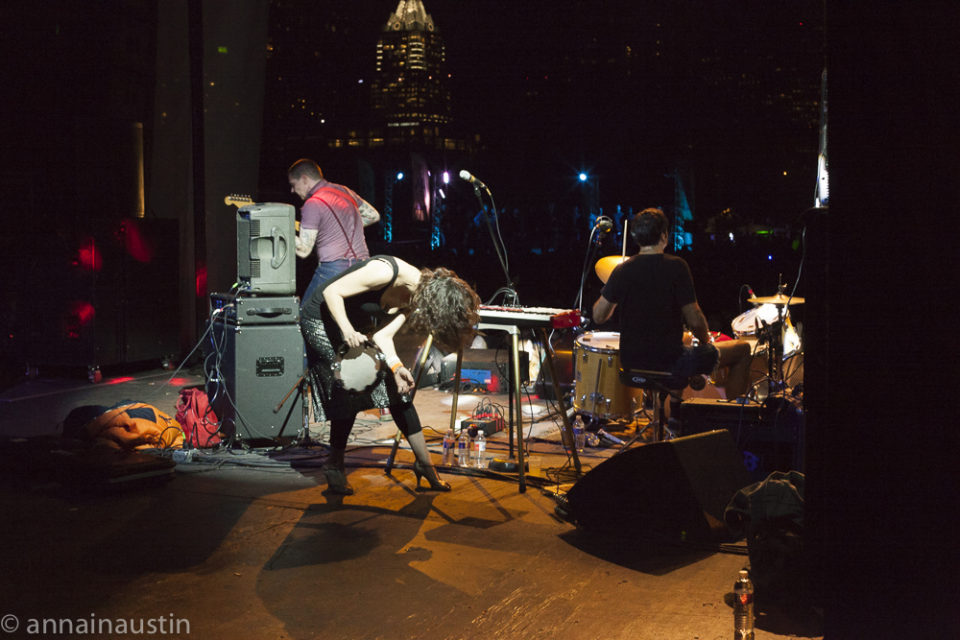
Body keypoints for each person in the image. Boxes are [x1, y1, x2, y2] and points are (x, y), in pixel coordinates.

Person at [300, 255, 480, 495]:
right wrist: (347, 330)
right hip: (321, 320)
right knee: (352, 383)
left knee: (398, 389)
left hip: (353, 325)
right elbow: (332, 292)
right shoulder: (384, 272)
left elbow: (383, 337)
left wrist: (396, 368)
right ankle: (335, 464)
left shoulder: (417, 298)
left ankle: (424, 464)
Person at [591, 207, 752, 404]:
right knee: (742, 349)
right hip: (671, 363)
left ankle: (672, 418)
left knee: (682, 343)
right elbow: (695, 318)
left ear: (635, 237)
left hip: (631, 364)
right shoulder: (677, 267)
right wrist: (705, 342)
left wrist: (617, 288)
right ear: (664, 235)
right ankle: (735, 419)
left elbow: (598, 316)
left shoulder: (622, 270)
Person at [289, 158, 381, 307]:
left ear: (304, 179)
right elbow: (373, 216)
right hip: (362, 266)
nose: (292, 190)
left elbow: (303, 251)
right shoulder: (345, 191)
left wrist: (281, 229)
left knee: (305, 315)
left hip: (334, 269)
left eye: (293, 184)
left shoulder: (312, 203)